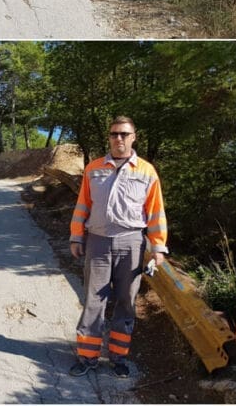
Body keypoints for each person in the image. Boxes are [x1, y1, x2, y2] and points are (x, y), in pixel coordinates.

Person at [68, 116, 168, 378]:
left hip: (132, 243)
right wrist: (77, 236)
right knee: (93, 300)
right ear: (109, 137)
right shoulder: (94, 168)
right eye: (114, 134)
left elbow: (156, 212)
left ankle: (118, 358)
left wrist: (158, 247)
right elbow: (82, 205)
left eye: (124, 134)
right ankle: (87, 356)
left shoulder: (146, 171)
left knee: (126, 301)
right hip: (98, 242)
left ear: (134, 137)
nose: (119, 138)